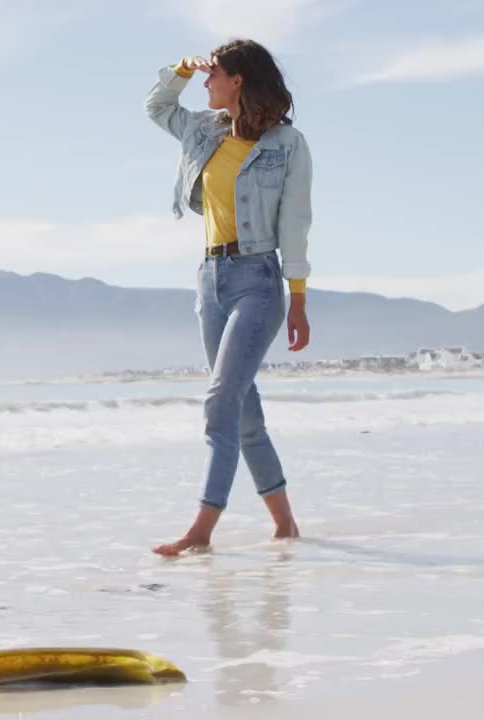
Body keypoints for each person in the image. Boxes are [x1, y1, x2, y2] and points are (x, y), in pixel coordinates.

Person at [144, 39, 312, 555]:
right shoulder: (204, 130)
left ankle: (201, 530)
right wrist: (178, 68)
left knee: (221, 402)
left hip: (258, 280)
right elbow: (157, 107)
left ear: (237, 80)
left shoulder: (287, 144)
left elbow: (296, 222)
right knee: (244, 413)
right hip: (210, 279)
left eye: (212, 73)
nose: (205, 81)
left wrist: (298, 297)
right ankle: (285, 525)